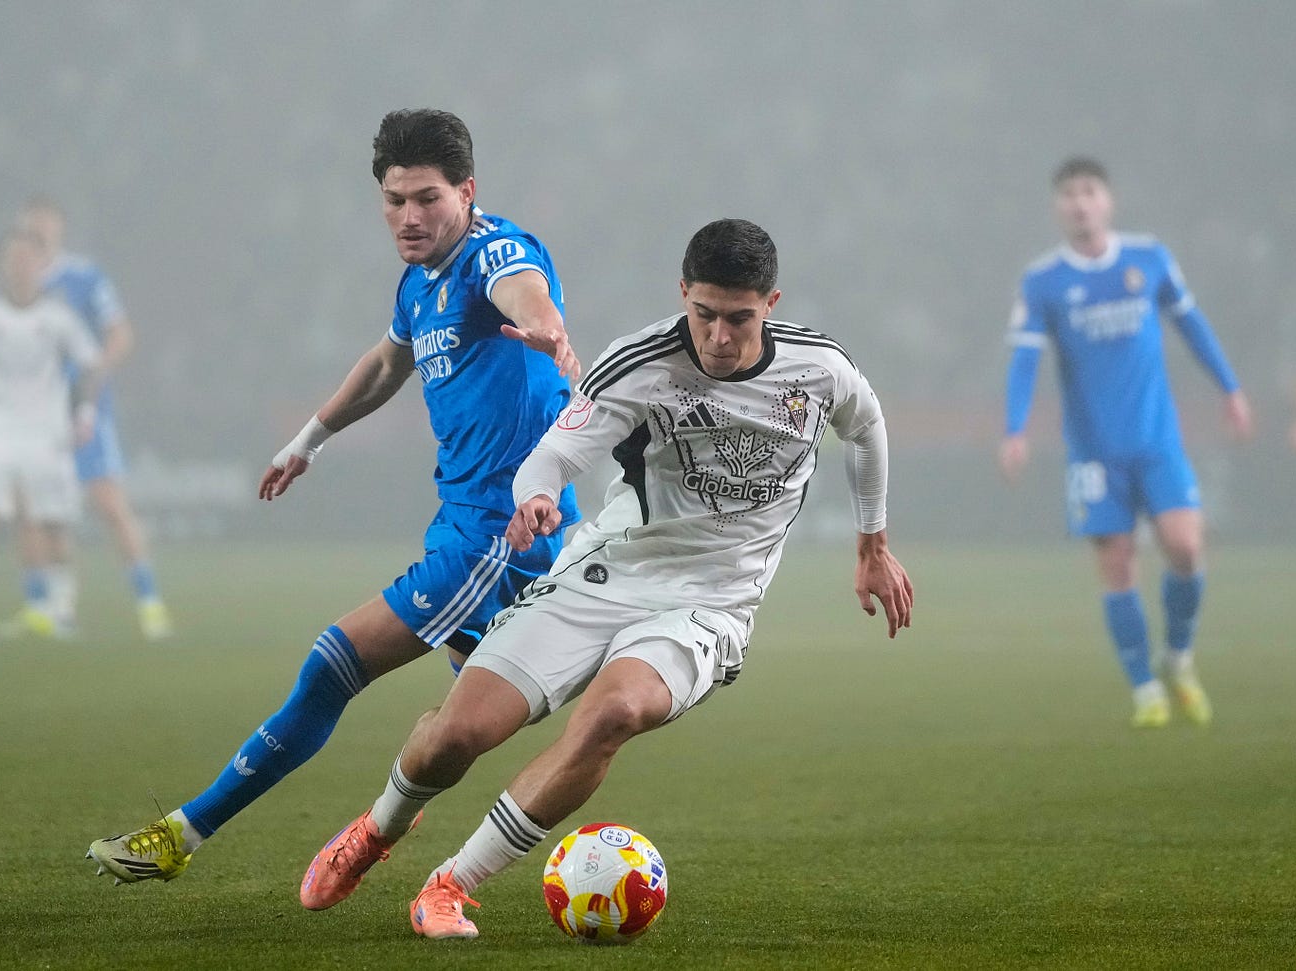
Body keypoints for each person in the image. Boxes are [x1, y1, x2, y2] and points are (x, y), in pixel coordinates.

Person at [297, 218, 913, 939]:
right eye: (704, 314)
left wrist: (873, 543)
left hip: (711, 603)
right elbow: (553, 455)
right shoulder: (640, 364)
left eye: (739, 319)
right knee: (456, 735)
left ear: (770, 304)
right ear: (682, 293)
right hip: (605, 572)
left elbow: (866, 427)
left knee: (614, 713)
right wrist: (535, 495)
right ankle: (378, 828)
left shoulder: (820, 368)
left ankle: (450, 885)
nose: (719, 336)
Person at [86, 108, 582, 886]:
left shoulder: (496, 252)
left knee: (333, 663)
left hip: (500, 535)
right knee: (454, 732)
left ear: (467, 192)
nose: (409, 217)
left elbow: (526, 294)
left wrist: (547, 328)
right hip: (464, 523)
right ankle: (394, 821)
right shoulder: (419, 282)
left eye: (427, 198)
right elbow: (387, 364)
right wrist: (309, 438)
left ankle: (182, 833)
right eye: (394, 200)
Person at [999, 157, 1253, 729]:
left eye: (1089, 191)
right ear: (1057, 206)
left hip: (1158, 441)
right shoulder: (1043, 282)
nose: (1080, 203)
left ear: (1107, 200)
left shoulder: (1149, 259)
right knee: (1117, 563)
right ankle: (1145, 689)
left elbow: (1192, 324)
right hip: (1094, 452)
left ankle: (1177, 658)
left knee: (1185, 548)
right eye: (1069, 194)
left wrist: (1231, 389)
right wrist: (1015, 429)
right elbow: (1025, 360)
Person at [11, 197, 172, 641]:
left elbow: (121, 333)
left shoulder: (83, 278)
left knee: (109, 503)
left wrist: (93, 375)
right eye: (30, 226)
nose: (37, 233)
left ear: (59, 229)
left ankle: (150, 604)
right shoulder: (20, 281)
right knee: (33, 509)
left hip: (82, 410)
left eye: (45, 225)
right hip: (31, 413)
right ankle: (46, 608)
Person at [0, 229, 104, 639]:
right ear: (1, 265)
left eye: (28, 259)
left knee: (54, 523)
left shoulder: (58, 318)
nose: (20, 266)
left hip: (47, 435)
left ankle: (63, 613)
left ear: (41, 266)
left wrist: (84, 412)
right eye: (13, 259)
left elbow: (91, 365)